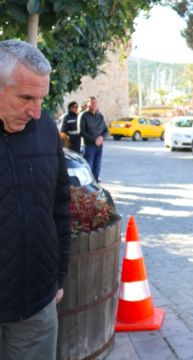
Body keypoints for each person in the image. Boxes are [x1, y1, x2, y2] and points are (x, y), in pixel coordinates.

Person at [0, 40, 71, 360]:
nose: (36, 111)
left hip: (35, 308)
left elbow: (60, 205)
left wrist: (58, 277)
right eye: (26, 97)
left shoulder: (44, 128)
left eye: (41, 99)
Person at [79, 96, 108, 181]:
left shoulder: (100, 116)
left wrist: (102, 138)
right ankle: (88, 188)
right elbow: (81, 132)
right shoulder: (83, 116)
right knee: (88, 168)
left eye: (96, 103)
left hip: (99, 146)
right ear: (88, 104)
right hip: (88, 146)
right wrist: (94, 140)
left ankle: (95, 186)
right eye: (92, 103)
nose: (94, 104)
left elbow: (106, 130)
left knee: (97, 168)